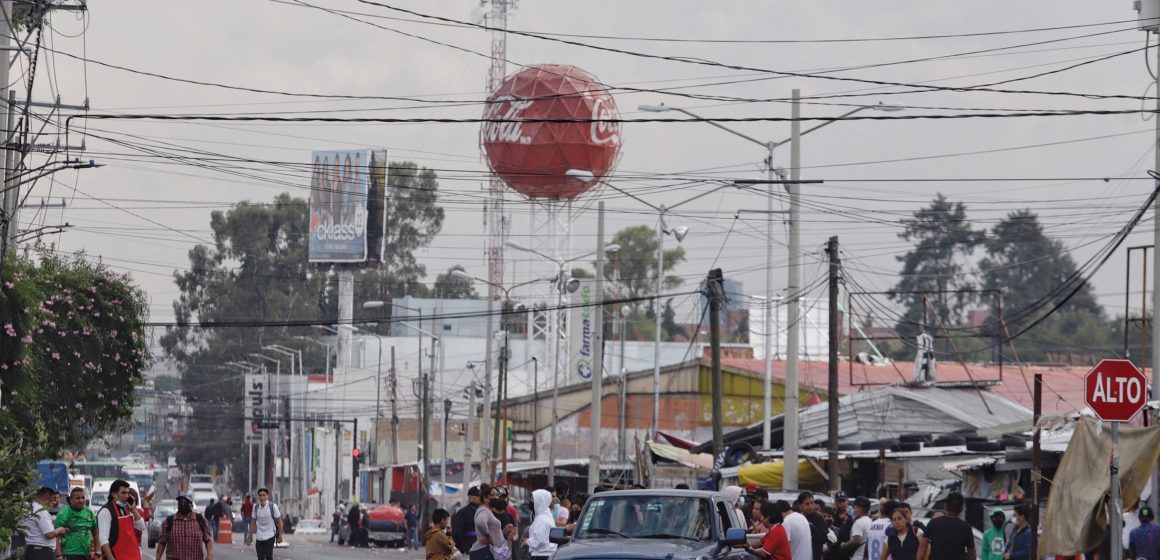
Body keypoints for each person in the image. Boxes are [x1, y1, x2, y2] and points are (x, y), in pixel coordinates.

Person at [156, 493, 213, 560]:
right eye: (180, 502)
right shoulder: (169, 521)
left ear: (191, 505)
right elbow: (162, 543)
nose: (183, 504)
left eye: (185, 502)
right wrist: (158, 558)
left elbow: (208, 539)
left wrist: (209, 554)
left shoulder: (200, 520)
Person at [98, 480, 146, 560]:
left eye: (128, 493)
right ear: (113, 494)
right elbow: (103, 539)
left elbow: (141, 527)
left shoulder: (127, 509)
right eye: (123, 493)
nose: (127, 496)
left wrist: (134, 510)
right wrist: (111, 558)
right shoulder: (106, 511)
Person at [921, 492, 975, 560]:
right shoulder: (966, 528)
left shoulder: (933, 523)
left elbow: (922, 546)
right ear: (961, 509)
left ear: (945, 506)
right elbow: (972, 553)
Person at [22, 487, 69, 560]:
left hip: (30, 549)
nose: (52, 504)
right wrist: (59, 530)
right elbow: (49, 534)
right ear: (46, 500)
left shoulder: (30, 508)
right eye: (51, 501)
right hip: (42, 551)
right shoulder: (41, 511)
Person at [55, 487, 98, 560]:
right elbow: (57, 536)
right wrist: (58, 555)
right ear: (71, 500)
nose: (81, 500)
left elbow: (96, 533)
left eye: (83, 498)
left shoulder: (89, 513)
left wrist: (98, 551)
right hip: (69, 554)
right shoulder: (63, 513)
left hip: (86, 554)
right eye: (78, 498)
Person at [473, 494, 514, 560]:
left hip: (502, 551)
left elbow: (512, 536)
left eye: (497, 495)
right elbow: (480, 524)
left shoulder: (508, 516)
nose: (495, 497)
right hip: (488, 551)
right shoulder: (485, 513)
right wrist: (488, 535)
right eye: (492, 495)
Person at [249, 488, 283, 560]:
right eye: (260, 495)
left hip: (270, 535)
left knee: (268, 556)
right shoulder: (255, 507)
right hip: (259, 536)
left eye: (264, 495)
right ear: (258, 497)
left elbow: (279, 522)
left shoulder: (273, 507)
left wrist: (280, 535)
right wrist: (250, 536)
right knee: (260, 557)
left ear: (267, 496)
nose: (262, 497)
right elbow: (253, 522)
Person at [527, 489, 557, 560]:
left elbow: (539, 540)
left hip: (542, 555)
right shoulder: (544, 514)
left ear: (540, 500)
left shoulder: (542, 518)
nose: (531, 501)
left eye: (533, 499)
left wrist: (527, 542)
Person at [453, 487, 482, 554]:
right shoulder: (462, 513)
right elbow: (456, 533)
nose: (480, 498)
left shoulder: (484, 511)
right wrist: (465, 548)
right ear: (470, 497)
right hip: (468, 551)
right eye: (478, 495)